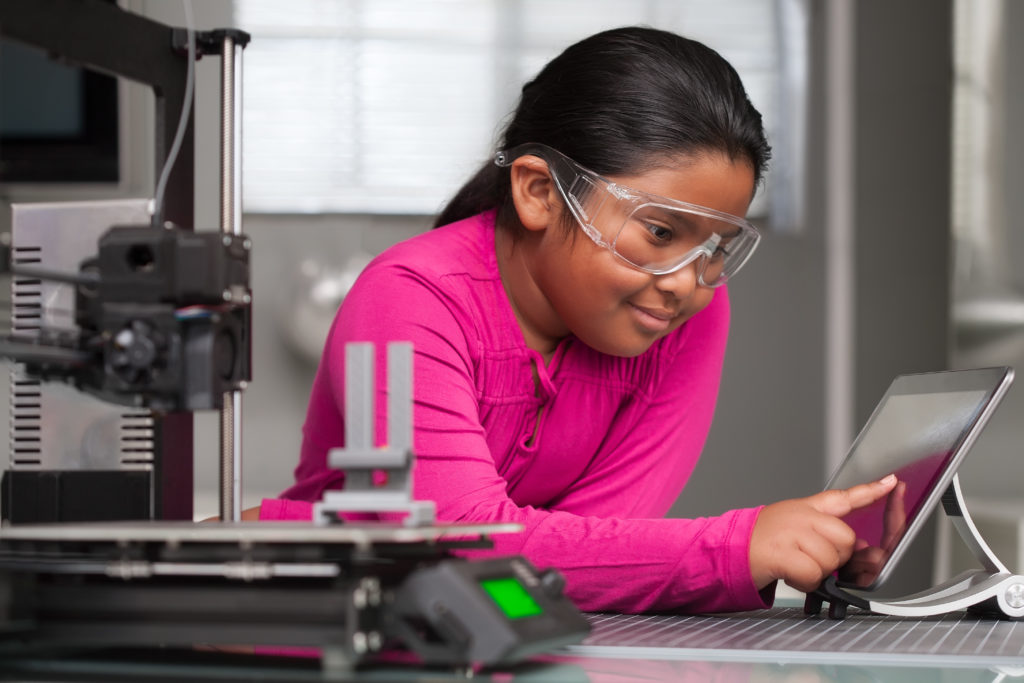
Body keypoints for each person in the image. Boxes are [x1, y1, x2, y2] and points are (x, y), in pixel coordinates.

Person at [257, 26, 898, 614]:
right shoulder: (408, 297)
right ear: (538, 192)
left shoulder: (689, 316)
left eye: (717, 248)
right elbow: (451, 546)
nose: (687, 281)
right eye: (659, 230)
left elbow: (597, 563)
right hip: (319, 620)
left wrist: (794, 550)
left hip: (499, 631)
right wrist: (737, 547)